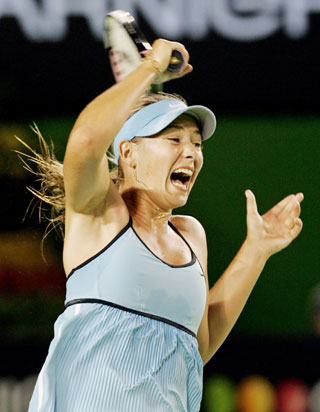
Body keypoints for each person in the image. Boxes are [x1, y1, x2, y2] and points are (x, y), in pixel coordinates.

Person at [26, 39, 303, 411]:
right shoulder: (99, 212)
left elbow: (196, 344)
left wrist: (256, 251)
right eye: (173, 139)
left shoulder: (191, 236)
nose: (190, 152)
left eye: (196, 143)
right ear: (128, 153)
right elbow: (88, 140)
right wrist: (150, 69)